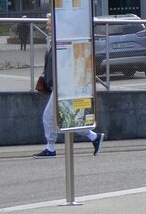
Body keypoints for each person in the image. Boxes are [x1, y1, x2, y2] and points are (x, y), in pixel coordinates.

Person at [33, 15, 104, 158]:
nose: (47, 27)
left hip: (64, 86)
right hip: (59, 85)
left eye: (50, 25)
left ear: (57, 26)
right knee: (68, 119)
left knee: (49, 117)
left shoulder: (63, 43)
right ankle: (94, 137)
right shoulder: (53, 41)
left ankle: (51, 148)